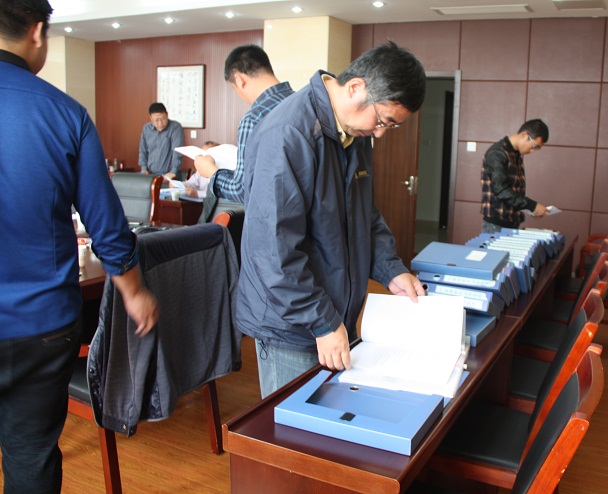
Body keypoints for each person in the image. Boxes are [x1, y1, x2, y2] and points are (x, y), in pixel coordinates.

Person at [0, 2, 159, 492]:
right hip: (39, 324)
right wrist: (134, 292)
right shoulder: (64, 113)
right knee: (31, 454)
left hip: (37, 323)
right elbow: (107, 226)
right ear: (37, 32)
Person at [237, 41, 427, 397]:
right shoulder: (289, 133)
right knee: (294, 426)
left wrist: (391, 269)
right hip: (291, 323)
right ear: (355, 87)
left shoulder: (354, 132)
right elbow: (273, 251)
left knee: (328, 420)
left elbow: (364, 214)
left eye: (390, 126)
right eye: (383, 120)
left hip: (332, 314)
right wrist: (322, 320)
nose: (380, 132)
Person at [194, 44, 293, 215]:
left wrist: (211, 172)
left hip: (274, 220)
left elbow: (243, 190)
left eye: (235, 89)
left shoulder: (254, 119)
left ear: (239, 80)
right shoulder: (303, 104)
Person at [480, 119, 550, 233]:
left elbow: (514, 192)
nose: (533, 151)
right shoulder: (497, 153)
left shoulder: (516, 154)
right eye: (534, 146)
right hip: (496, 225)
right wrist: (531, 206)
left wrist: (530, 209)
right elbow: (501, 190)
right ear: (525, 135)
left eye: (537, 148)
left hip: (512, 222)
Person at [138, 102, 184, 179]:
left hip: (171, 174)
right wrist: (144, 168)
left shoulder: (175, 127)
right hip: (151, 174)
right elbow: (143, 150)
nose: (160, 123)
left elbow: (177, 152)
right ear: (150, 118)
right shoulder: (146, 129)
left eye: (162, 119)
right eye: (156, 120)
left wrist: (173, 171)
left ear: (167, 114)